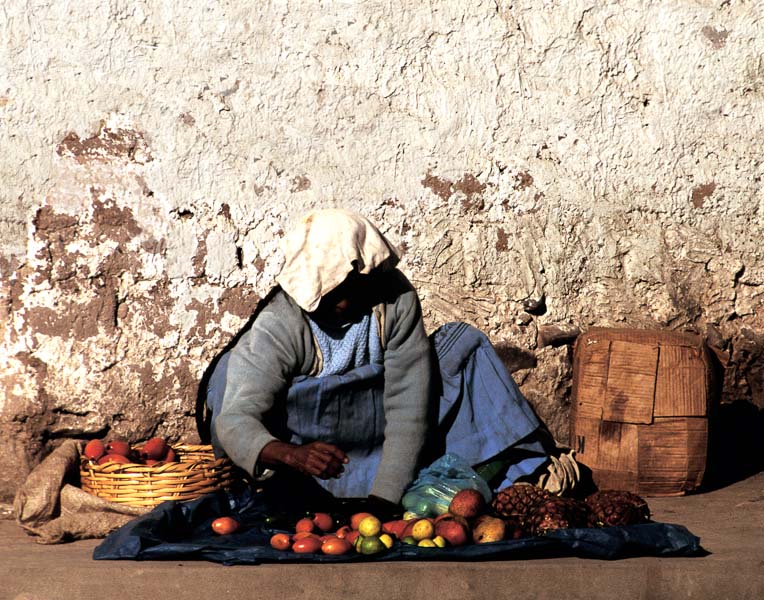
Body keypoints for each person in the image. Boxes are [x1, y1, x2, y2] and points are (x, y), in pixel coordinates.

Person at [206, 208, 564, 516]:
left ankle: (473, 473)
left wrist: (385, 499)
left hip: (376, 422)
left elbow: (408, 404)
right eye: (326, 294)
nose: (335, 304)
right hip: (308, 437)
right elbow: (237, 417)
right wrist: (292, 456)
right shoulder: (281, 322)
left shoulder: (395, 301)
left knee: (464, 344)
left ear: (365, 278)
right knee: (228, 376)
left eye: (343, 292)